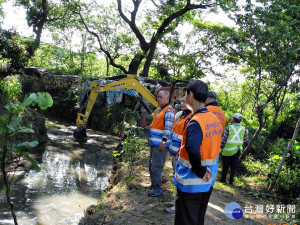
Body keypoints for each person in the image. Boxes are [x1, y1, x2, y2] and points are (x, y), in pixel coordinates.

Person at [174, 80, 222, 225]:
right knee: (198, 218)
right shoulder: (214, 119)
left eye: (185, 95)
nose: (184, 99)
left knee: (186, 220)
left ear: (191, 95)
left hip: (191, 183)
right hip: (208, 182)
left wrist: (200, 171)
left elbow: (194, 151)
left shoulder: (195, 122)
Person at [164, 98, 192, 214]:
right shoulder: (182, 116)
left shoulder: (190, 118)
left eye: (186, 101)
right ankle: (176, 201)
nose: (183, 103)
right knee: (177, 178)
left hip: (182, 156)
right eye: (182, 102)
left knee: (181, 181)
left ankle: (178, 205)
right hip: (176, 154)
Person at [148, 89, 175, 197]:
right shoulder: (161, 109)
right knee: (152, 166)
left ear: (167, 98)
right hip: (155, 144)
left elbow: (168, 129)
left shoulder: (168, 110)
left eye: (161, 97)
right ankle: (154, 185)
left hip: (160, 145)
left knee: (156, 167)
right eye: (158, 97)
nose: (158, 99)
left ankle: (157, 189)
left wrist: (163, 142)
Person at [220, 113, 248, 184]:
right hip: (238, 150)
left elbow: (224, 139)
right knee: (233, 167)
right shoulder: (244, 129)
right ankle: (231, 181)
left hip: (228, 150)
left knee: (225, 165)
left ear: (234, 119)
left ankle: (223, 179)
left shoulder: (229, 128)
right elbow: (245, 140)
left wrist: (221, 147)